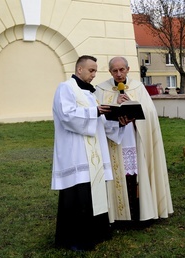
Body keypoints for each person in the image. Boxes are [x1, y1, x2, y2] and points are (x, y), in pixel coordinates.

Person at [52, 55, 130, 251]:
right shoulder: (66, 88)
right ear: (79, 70)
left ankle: (96, 233)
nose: (94, 74)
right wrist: (94, 112)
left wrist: (118, 122)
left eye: (95, 70)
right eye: (91, 70)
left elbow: (100, 124)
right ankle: (75, 239)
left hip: (93, 154)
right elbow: (67, 115)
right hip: (76, 153)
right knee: (78, 195)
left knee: (93, 194)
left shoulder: (89, 94)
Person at [95, 57, 173, 224]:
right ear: (110, 72)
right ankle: (119, 214)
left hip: (136, 138)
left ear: (128, 69)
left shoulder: (138, 87)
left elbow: (150, 113)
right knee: (119, 174)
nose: (119, 74)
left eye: (122, 70)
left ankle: (141, 211)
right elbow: (99, 116)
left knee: (138, 173)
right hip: (115, 140)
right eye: (115, 71)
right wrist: (116, 112)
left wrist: (133, 108)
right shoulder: (101, 89)